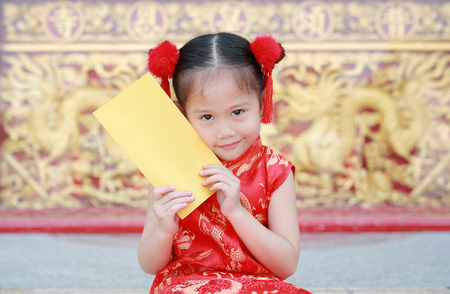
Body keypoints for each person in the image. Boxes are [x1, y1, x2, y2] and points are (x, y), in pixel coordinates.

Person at [138, 32, 311, 294]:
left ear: (262, 100)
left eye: (238, 112)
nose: (225, 131)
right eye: (207, 116)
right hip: (187, 286)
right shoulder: (169, 169)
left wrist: (237, 212)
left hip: (258, 288)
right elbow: (149, 265)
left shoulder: (275, 171)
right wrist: (164, 229)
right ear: (183, 115)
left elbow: (286, 265)